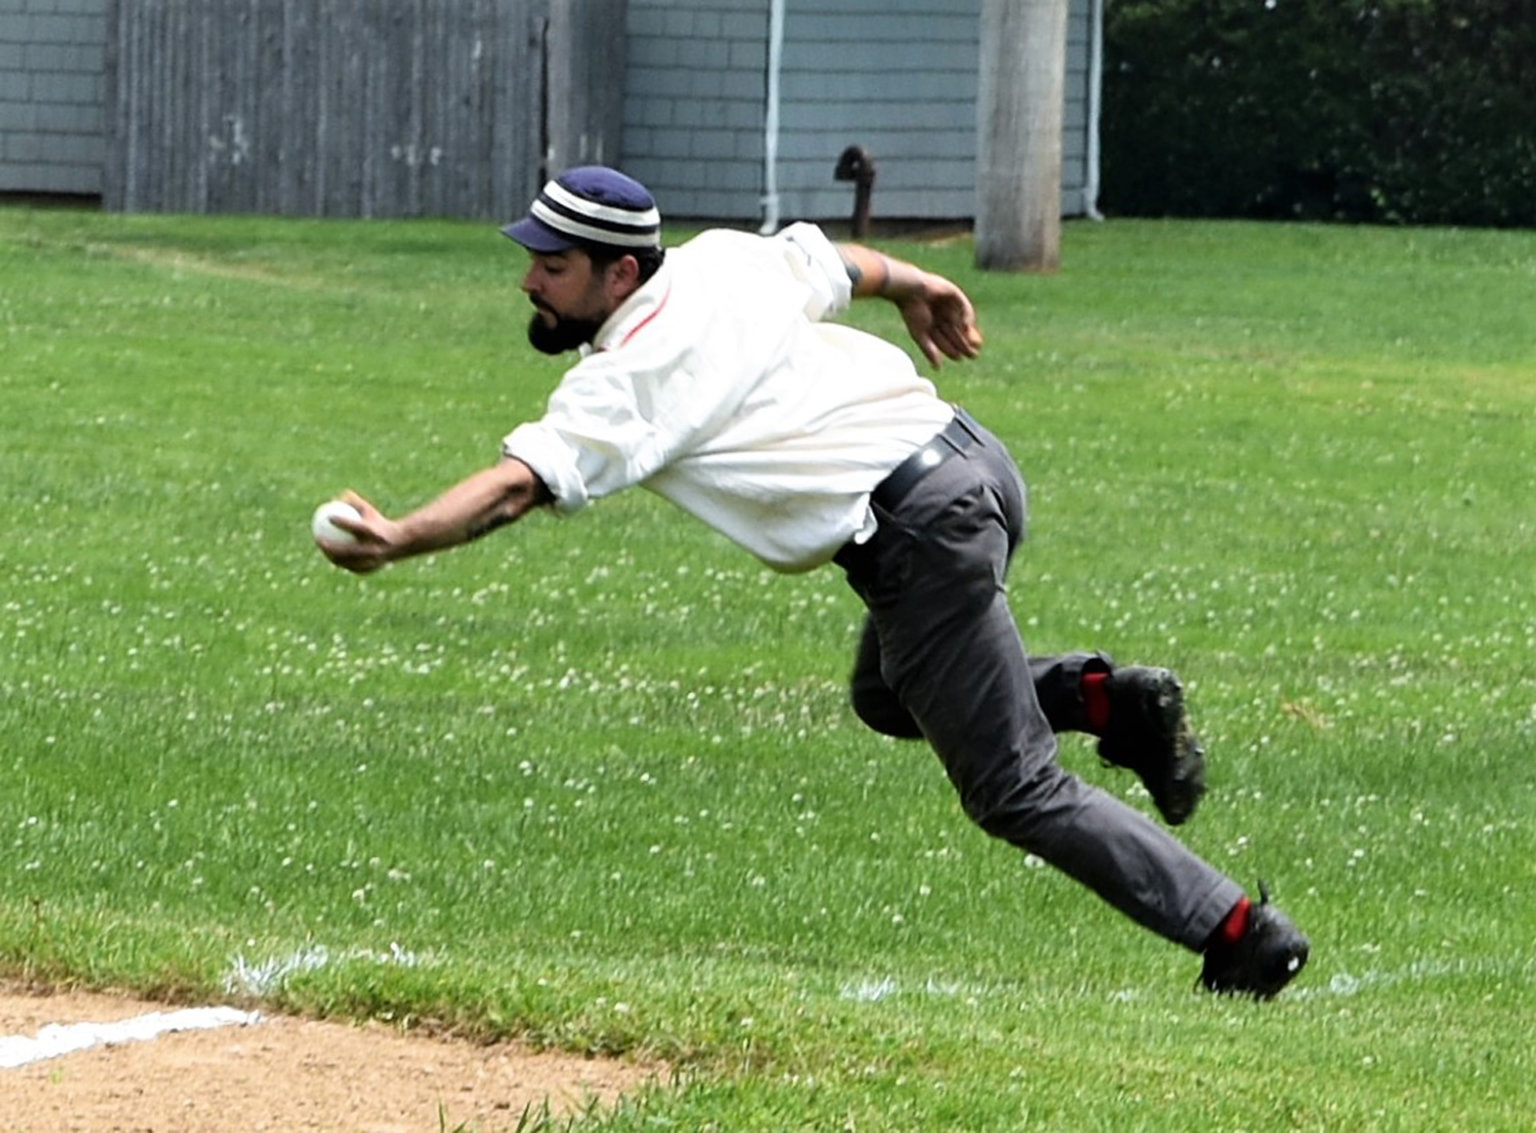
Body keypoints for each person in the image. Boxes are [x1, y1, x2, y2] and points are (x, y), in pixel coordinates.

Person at [315, 166, 1309, 998]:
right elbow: (841, 263)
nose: (530, 279)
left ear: (620, 271)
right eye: (531, 256)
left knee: (1014, 786)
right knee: (886, 694)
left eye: (553, 264)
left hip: (920, 530)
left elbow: (512, 489)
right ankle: (1108, 699)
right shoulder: (720, 261)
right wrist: (917, 283)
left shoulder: (630, 376)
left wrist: (398, 537)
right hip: (971, 464)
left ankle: (1238, 932)